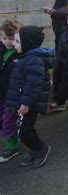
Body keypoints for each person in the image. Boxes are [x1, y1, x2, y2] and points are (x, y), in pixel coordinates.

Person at [5, 26, 55, 168]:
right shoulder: (26, 57)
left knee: (24, 131)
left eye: (17, 41)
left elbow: (34, 84)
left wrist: (25, 103)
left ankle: (40, 148)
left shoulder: (33, 60)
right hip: (25, 102)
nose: (14, 44)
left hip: (29, 103)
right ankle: (34, 150)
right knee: (24, 129)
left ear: (27, 43)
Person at [0, 19, 21, 163]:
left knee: (8, 121)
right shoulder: (1, 50)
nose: (8, 42)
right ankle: (10, 136)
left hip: (12, 96)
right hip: (1, 93)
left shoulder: (20, 55)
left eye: (11, 38)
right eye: (4, 38)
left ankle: (12, 146)